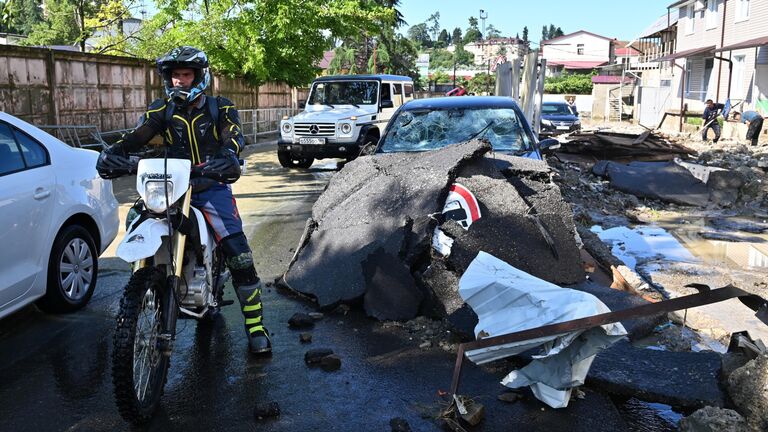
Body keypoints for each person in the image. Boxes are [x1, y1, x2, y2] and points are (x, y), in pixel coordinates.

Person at [96, 46, 271, 355]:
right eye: (175, 75)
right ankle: (145, 287)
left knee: (238, 253)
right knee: (136, 219)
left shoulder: (221, 107)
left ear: (199, 77)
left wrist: (229, 156)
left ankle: (255, 326)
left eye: (186, 74)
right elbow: (139, 135)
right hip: (168, 186)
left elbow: (233, 136)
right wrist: (115, 152)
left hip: (209, 185)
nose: (179, 80)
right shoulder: (161, 109)